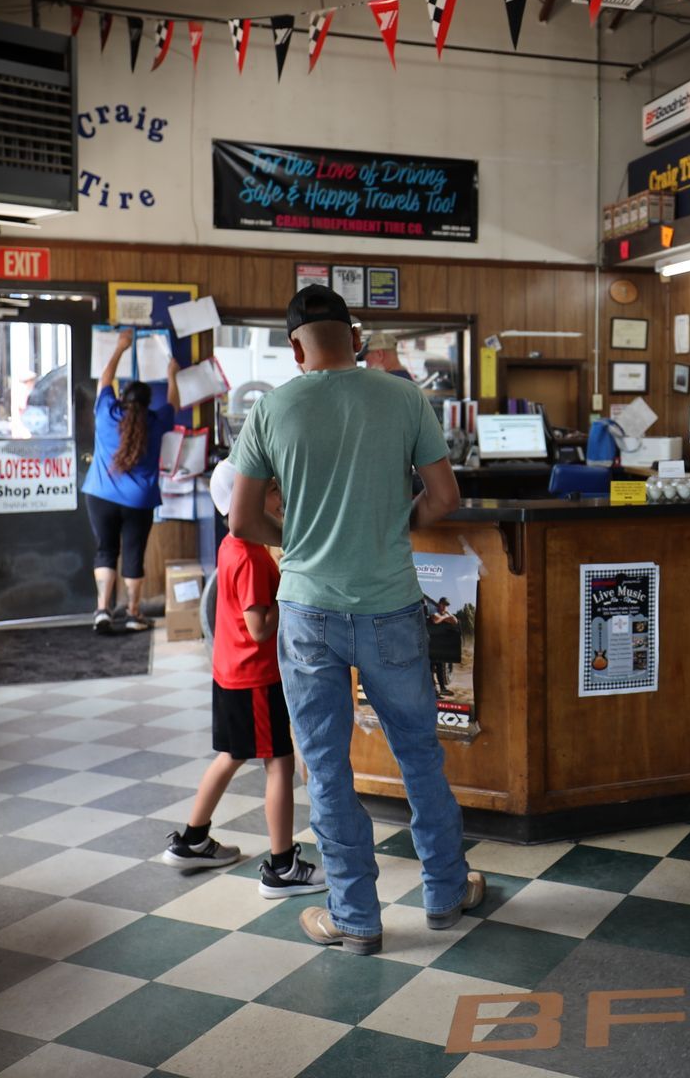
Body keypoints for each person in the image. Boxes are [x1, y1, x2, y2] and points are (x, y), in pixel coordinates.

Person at [227, 284, 482, 955]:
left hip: (307, 608)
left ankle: (355, 917)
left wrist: (298, 541)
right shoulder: (402, 396)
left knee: (326, 764)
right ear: (353, 335)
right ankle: (445, 892)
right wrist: (394, 523)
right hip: (390, 603)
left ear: (295, 346)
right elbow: (445, 496)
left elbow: (242, 520)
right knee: (419, 750)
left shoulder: (274, 407)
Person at [161, 469, 325, 899]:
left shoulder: (232, 545)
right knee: (279, 764)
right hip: (255, 677)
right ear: (243, 502)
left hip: (230, 672)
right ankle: (282, 866)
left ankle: (192, 839)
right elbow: (258, 627)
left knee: (231, 755)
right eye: (272, 489)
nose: (279, 495)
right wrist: (289, 587)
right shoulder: (252, 556)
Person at [86, 330, 179, 634]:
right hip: (139, 501)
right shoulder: (156, 422)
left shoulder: (107, 413)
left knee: (105, 550)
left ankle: (102, 609)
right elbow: (174, 404)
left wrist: (120, 349)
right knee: (134, 554)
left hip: (100, 496)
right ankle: (133, 613)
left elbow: (104, 379)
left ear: (123, 399)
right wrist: (172, 376)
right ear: (149, 404)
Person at [426, 596, 460, 695]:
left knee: (440, 667)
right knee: (431, 668)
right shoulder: (433, 610)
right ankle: (433, 689)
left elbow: (455, 621)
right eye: (443, 604)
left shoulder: (444, 612)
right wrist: (445, 617)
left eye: (446, 605)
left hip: (438, 645)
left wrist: (447, 614)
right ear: (439, 603)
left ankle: (442, 688)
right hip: (429, 644)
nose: (444, 607)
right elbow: (435, 620)